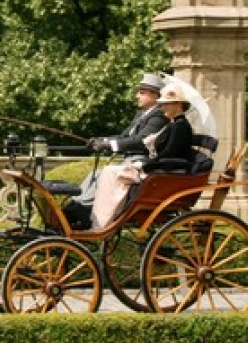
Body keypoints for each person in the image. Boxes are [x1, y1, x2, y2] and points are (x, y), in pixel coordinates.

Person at [63, 72, 168, 229]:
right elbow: (124, 136)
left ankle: (82, 209)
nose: (137, 96)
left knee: (106, 174)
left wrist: (109, 146)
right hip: (130, 160)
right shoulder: (142, 114)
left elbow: (139, 142)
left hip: (141, 162)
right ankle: (77, 203)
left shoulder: (158, 116)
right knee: (96, 173)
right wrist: (102, 140)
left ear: (154, 95)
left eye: (141, 92)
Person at [87, 83, 195, 230]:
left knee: (110, 172)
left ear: (179, 105)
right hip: (160, 167)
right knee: (109, 172)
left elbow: (169, 154)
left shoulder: (180, 126)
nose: (163, 108)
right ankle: (102, 217)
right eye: (162, 104)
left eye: (167, 105)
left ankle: (103, 221)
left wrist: (146, 164)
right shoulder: (173, 124)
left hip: (166, 171)